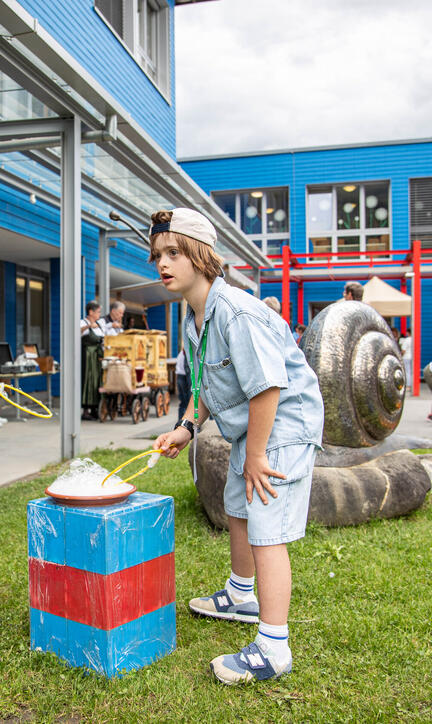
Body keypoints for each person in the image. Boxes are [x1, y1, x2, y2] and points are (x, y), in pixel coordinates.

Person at [151, 208, 323, 685]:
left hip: (282, 424)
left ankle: (273, 648)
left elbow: (268, 388)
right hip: (253, 426)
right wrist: (185, 428)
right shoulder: (193, 318)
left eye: (173, 253)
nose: (161, 264)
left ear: (202, 257)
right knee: (238, 509)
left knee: (266, 524)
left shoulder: (238, 311)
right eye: (157, 256)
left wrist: (257, 455)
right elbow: (205, 385)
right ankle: (241, 594)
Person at [80, 301, 106, 419]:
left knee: (97, 381)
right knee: (88, 381)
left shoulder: (99, 324)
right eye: (98, 312)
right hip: (87, 357)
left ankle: (95, 408)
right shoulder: (82, 323)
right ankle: (86, 410)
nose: (99, 314)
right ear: (91, 312)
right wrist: (89, 326)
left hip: (97, 357)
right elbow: (76, 332)